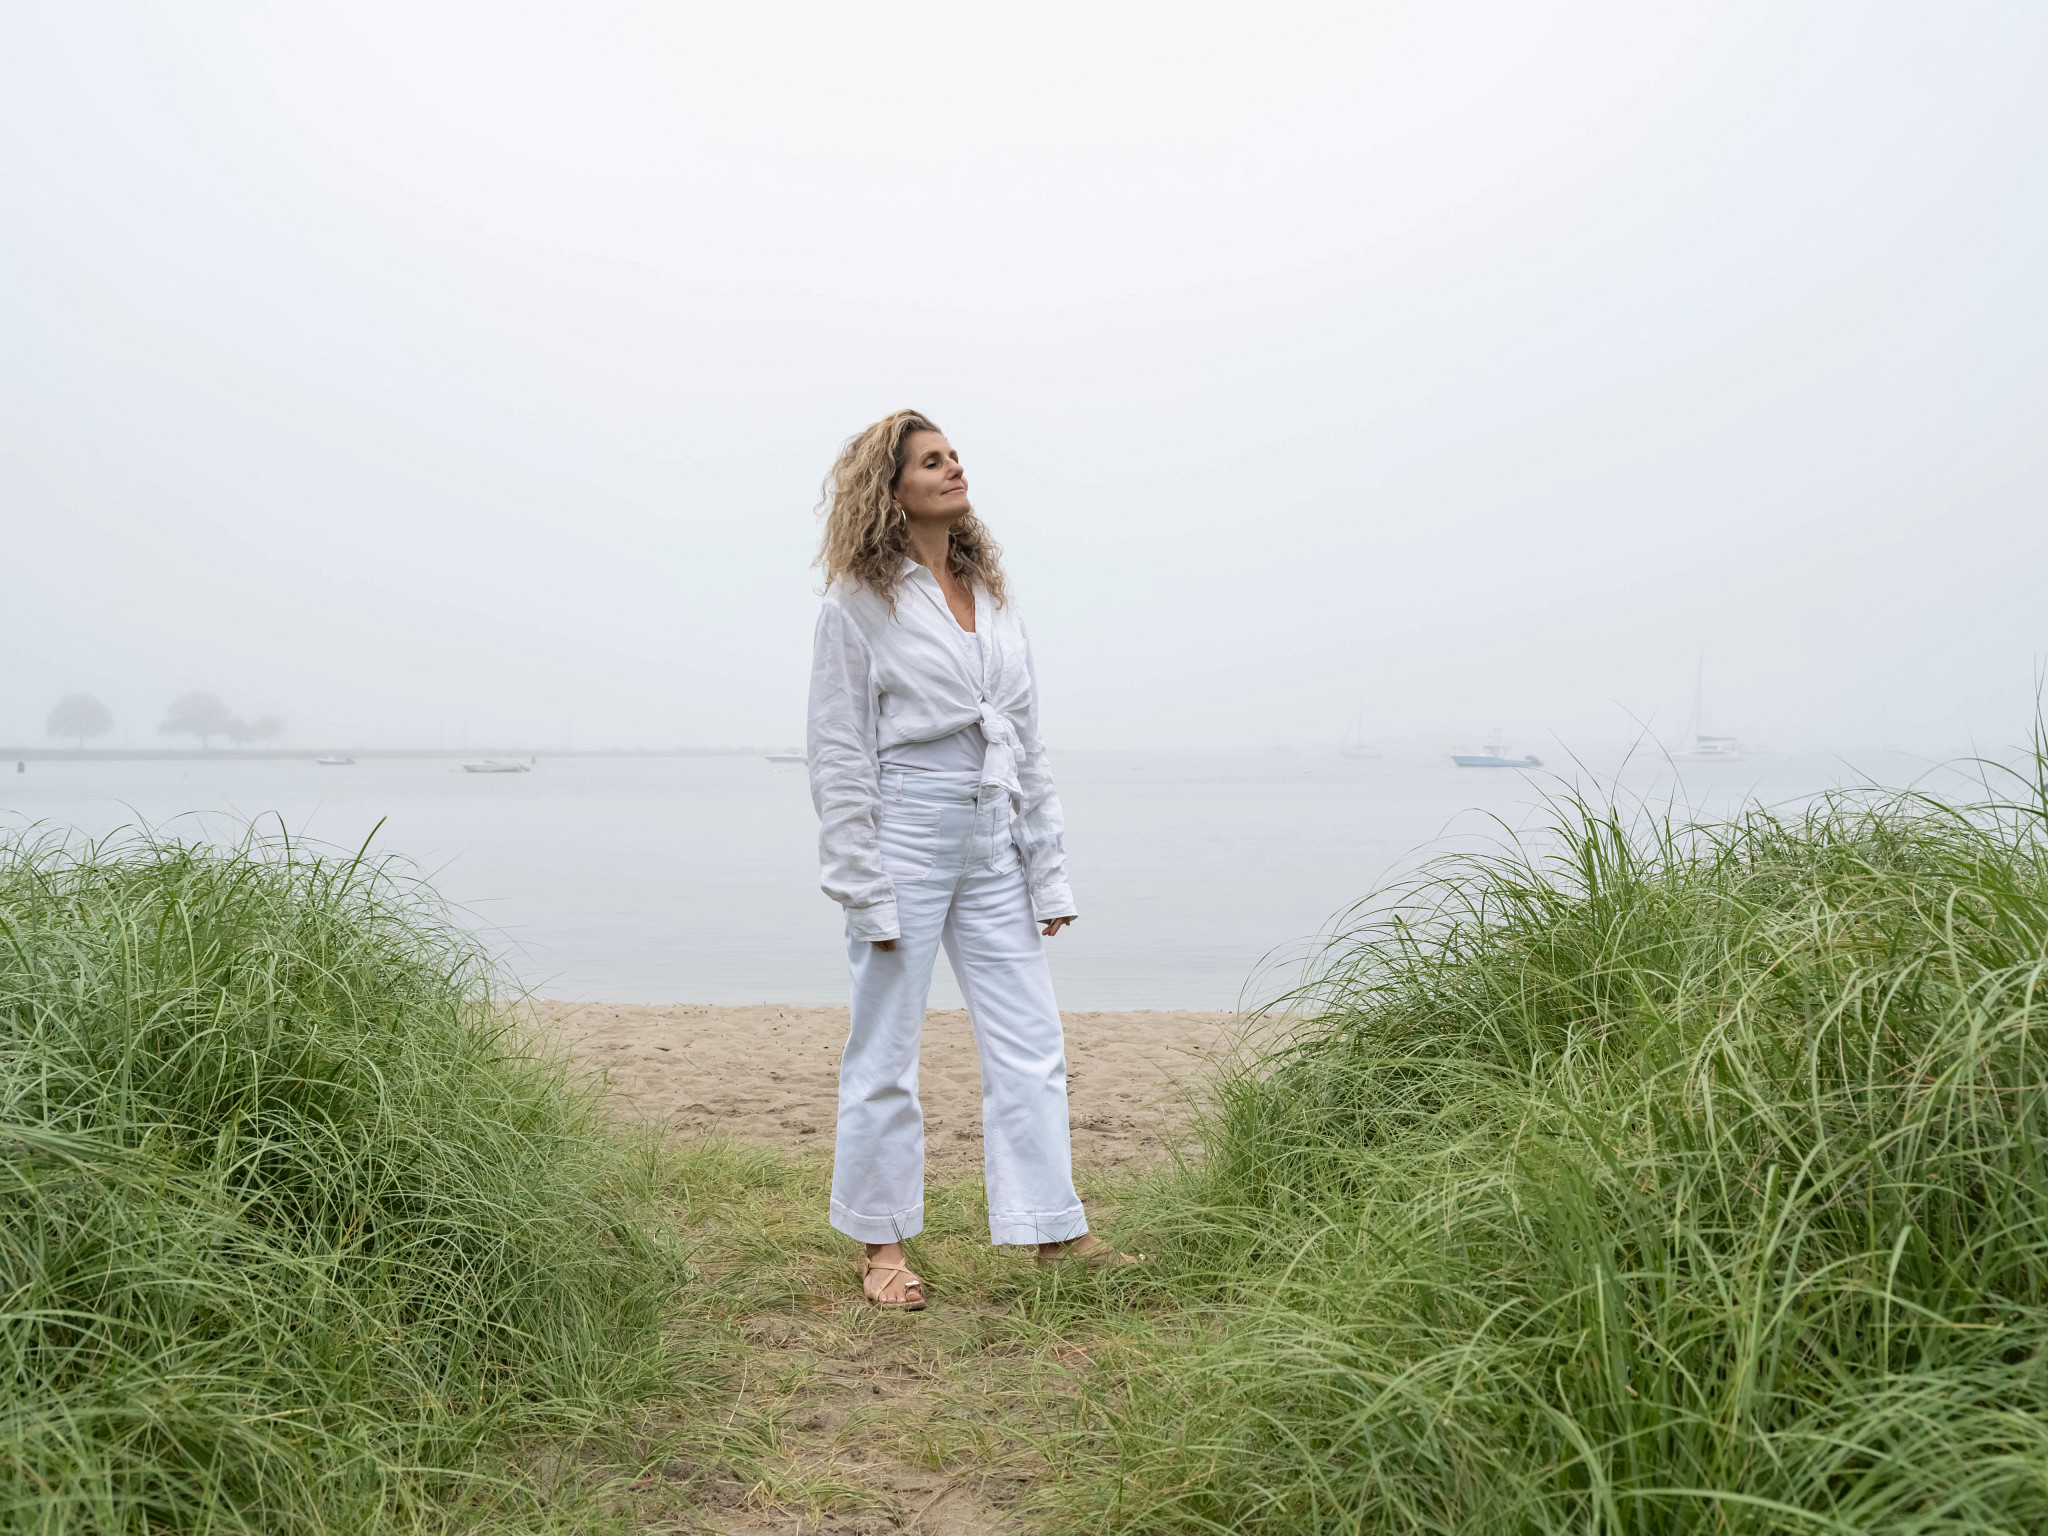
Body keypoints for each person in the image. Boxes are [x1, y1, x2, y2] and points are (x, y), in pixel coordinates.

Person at [806, 409, 1135, 1309]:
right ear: (892, 487)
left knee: (1032, 1041)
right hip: (903, 836)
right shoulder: (858, 604)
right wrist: (863, 888)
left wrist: (1046, 868)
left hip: (994, 839)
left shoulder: (991, 599)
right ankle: (880, 1248)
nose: (953, 468)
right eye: (930, 461)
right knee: (885, 1051)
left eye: (954, 456)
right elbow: (838, 755)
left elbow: (1026, 745)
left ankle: (1050, 1228)